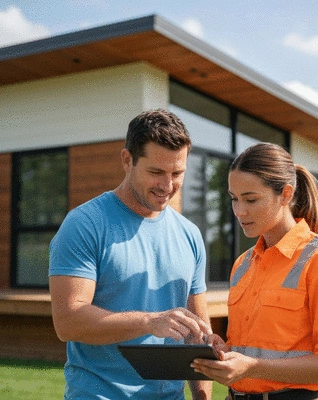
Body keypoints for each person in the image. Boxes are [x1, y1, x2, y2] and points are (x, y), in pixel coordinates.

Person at [49, 109, 213, 400]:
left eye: (177, 173)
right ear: (127, 160)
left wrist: (202, 396)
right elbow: (68, 321)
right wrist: (149, 322)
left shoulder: (190, 234)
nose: (167, 186)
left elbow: (198, 335)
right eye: (155, 172)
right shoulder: (85, 224)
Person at [191, 143, 318, 400]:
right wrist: (224, 351)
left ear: (286, 194)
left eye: (251, 199)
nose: (239, 211)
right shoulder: (243, 263)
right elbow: (255, 348)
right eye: (234, 199)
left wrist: (254, 367)